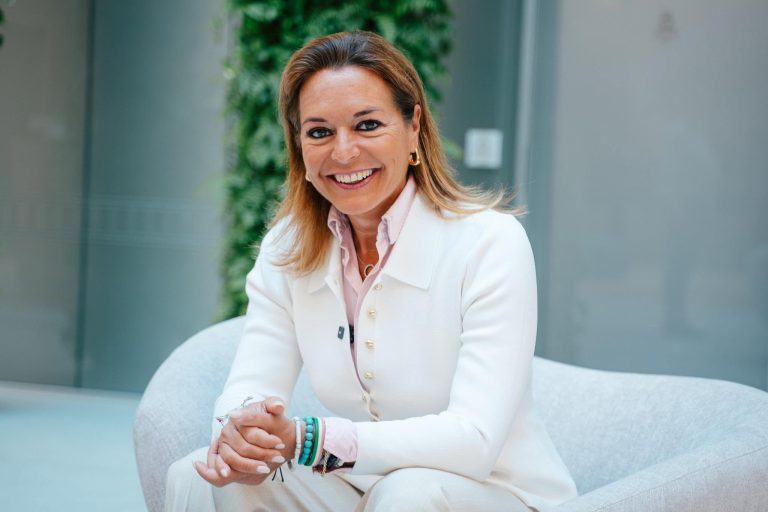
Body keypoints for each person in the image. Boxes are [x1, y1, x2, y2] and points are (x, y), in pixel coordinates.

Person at [165, 30, 577, 511]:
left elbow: (475, 438)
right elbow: (251, 384)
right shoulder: (286, 249)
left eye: (367, 125)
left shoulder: (489, 242)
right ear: (299, 146)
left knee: (409, 495)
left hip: (499, 492)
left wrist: (310, 439)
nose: (343, 152)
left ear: (413, 126)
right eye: (319, 132)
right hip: (364, 487)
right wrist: (244, 434)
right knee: (202, 479)